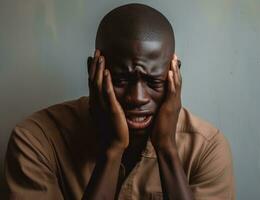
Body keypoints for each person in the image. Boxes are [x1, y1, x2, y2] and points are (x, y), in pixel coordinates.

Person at [5, 3, 235, 200]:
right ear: (93, 70)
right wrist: (112, 150)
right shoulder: (36, 141)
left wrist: (167, 149)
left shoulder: (207, 149)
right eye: (121, 79)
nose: (137, 98)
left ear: (174, 74)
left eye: (153, 81)